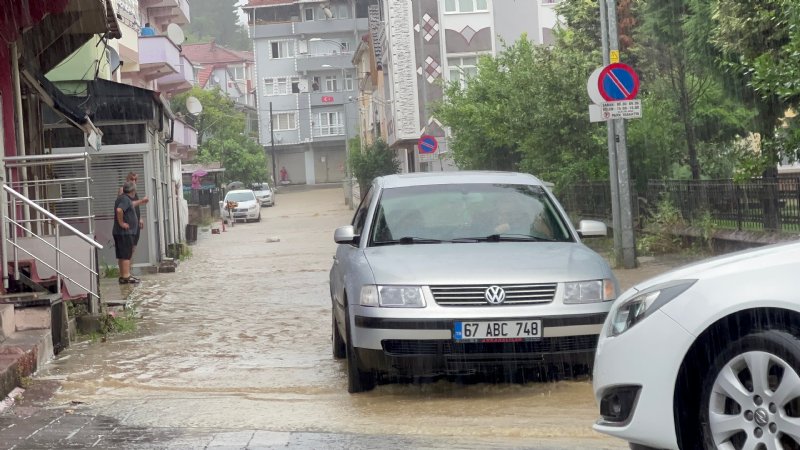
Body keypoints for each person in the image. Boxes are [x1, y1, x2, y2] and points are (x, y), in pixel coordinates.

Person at [114, 182, 148, 284]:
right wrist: (122, 223)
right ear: (133, 191)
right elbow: (119, 210)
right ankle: (126, 276)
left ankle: (123, 275)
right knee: (126, 255)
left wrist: (142, 201)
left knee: (122, 255)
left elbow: (131, 204)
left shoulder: (123, 198)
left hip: (120, 232)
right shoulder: (125, 199)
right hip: (124, 232)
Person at [119, 172, 146, 258]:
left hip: (136, 224)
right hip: (128, 224)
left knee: (133, 248)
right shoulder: (122, 190)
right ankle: (125, 271)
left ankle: (128, 270)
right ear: (127, 179)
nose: (134, 181)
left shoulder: (134, 192)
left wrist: (140, 217)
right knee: (127, 249)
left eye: (135, 179)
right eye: (131, 179)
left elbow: (136, 207)